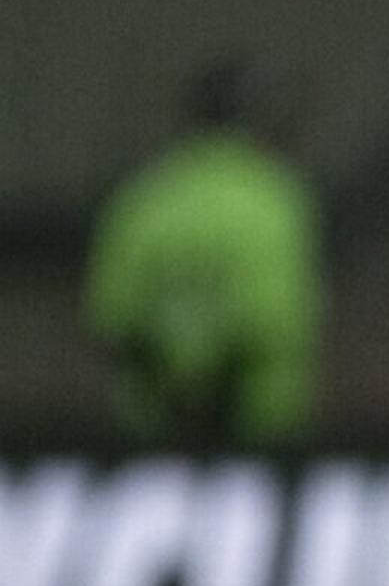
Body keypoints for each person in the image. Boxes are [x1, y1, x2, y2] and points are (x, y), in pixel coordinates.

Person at [83, 62, 323, 450]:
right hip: (259, 440)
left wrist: (177, 395)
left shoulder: (144, 199)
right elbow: (272, 322)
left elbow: (114, 320)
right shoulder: (274, 201)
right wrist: (217, 407)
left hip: (153, 445)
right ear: (258, 119)